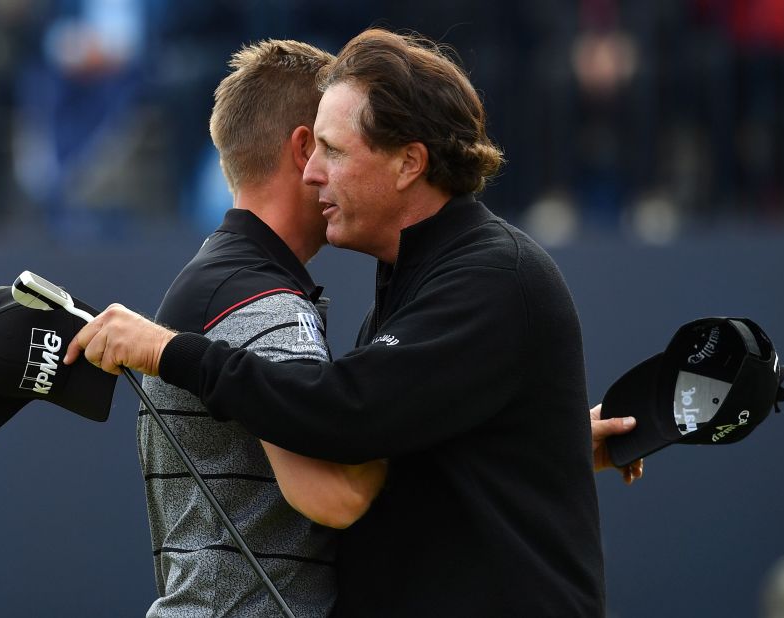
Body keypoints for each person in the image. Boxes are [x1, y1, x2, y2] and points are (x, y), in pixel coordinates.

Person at [67, 28, 639, 616]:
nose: (312, 172)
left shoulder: (492, 276)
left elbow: (347, 416)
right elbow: (392, 427)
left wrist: (171, 352)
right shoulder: (418, 283)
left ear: (408, 163)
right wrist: (534, 446)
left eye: (333, 151)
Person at [133, 40, 386, 617]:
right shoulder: (262, 302)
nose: (346, 166)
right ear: (304, 149)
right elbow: (335, 496)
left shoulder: (227, 280)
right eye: (337, 145)